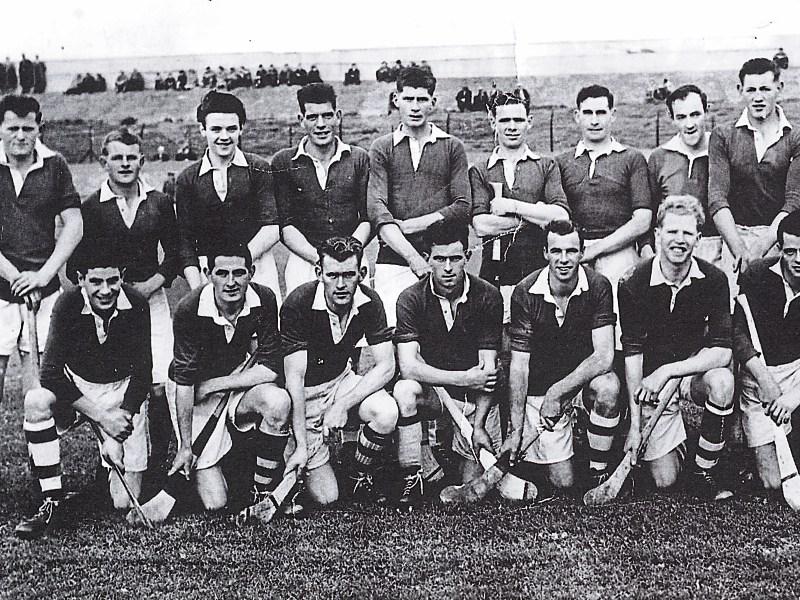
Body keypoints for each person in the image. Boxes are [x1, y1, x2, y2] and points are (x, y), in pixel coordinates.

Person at [67, 129, 180, 483]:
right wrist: (109, 295)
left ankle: (159, 458)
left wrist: (150, 286)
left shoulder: (159, 202)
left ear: (142, 161)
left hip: (151, 300)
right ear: (104, 162)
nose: (126, 164)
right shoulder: (91, 207)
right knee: (121, 383)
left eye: (132, 157)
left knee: (161, 384)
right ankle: (114, 459)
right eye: (117, 157)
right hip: (110, 307)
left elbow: (175, 255)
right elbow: (76, 268)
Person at [14, 249, 152, 539]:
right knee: (37, 400)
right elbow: (50, 374)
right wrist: (104, 419)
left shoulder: (137, 303)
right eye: (96, 281)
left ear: (122, 276)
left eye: (113, 280)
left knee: (122, 502)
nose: (106, 290)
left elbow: (143, 374)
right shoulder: (67, 303)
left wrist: (121, 420)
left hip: (121, 393)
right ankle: (52, 501)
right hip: (77, 390)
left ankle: (105, 476)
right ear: (80, 280)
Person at [619, 195, 734, 500]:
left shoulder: (715, 279)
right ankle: (658, 439)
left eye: (687, 233)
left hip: (688, 374)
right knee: (664, 481)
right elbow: (632, 354)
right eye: (671, 232)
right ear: (657, 234)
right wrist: (635, 424)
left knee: (722, 381)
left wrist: (670, 371)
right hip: (649, 384)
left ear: (698, 238)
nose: (679, 240)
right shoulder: (632, 282)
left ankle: (703, 473)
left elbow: (723, 352)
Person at [168, 243, 291, 513]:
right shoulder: (189, 308)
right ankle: (207, 465)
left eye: (239, 273)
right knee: (216, 503)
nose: (231, 282)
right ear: (208, 273)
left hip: (232, 383)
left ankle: (262, 491)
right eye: (222, 273)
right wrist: (186, 446)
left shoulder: (265, 298)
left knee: (277, 401)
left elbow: (270, 368)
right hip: (193, 392)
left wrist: (216, 385)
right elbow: (185, 383)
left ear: (252, 272)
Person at [504, 220, 620, 492]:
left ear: (582, 252)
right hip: (540, 390)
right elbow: (519, 366)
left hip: (578, 385)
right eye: (556, 251)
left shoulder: (599, 285)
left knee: (609, 386)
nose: (564, 259)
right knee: (562, 482)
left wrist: (559, 393)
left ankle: (598, 473)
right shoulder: (524, 292)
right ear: (545, 253)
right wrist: (516, 429)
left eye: (571, 251)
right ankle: (573, 441)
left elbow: (604, 356)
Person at [393, 223, 503, 508]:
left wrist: (478, 426)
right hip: (437, 397)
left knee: (471, 484)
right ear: (427, 258)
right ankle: (413, 476)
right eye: (439, 259)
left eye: (455, 258)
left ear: (467, 256)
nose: (448, 267)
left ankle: (448, 451)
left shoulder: (488, 295)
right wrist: (463, 379)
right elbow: (408, 367)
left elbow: (487, 373)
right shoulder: (410, 298)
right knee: (405, 390)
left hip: (476, 401)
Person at [281, 236, 398, 505]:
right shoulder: (298, 302)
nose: (341, 284)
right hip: (303, 396)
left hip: (339, 382)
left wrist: (342, 405)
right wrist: (301, 444)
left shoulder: (370, 300)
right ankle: (289, 451)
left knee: (386, 411)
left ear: (362, 273)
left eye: (349, 274)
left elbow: (386, 365)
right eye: (333, 275)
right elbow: (294, 379)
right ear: (319, 273)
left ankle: (357, 474)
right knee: (327, 498)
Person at [368, 66, 471, 326]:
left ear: (433, 103)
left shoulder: (452, 147)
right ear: (396, 100)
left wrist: (414, 224)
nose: (415, 107)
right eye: (408, 99)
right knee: (393, 334)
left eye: (422, 99)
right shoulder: (382, 148)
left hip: (441, 259)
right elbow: (378, 209)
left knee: (440, 338)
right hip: (394, 257)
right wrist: (413, 258)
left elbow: (462, 205)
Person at [0, 95, 82, 404]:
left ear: (39, 128)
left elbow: (74, 225)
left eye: (28, 128)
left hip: (43, 291)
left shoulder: (55, 164)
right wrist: (16, 278)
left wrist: (43, 276)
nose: (20, 136)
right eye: (12, 128)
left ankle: (39, 452)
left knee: (41, 386)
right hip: (1, 287)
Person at [556, 85, 651, 349]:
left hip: (618, 252)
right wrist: (579, 252)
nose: (594, 119)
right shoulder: (561, 162)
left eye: (601, 112)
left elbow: (643, 219)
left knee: (620, 328)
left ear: (613, 115)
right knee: (575, 330)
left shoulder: (632, 159)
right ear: (577, 116)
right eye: (588, 113)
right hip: (573, 254)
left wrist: (597, 249)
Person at [471, 92, 569, 326]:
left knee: (539, 345)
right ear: (493, 122)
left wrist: (512, 206)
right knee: (498, 345)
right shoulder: (480, 170)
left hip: (539, 272)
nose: (512, 127)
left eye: (518, 120)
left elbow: (561, 215)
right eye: (505, 120)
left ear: (530, 121)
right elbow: (481, 225)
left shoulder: (546, 165)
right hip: (494, 274)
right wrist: (536, 217)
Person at [175, 91, 281, 300]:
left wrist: (241, 262)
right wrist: (197, 288)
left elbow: (272, 226)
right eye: (216, 129)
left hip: (257, 266)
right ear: (202, 129)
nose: (224, 137)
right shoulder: (187, 178)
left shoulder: (258, 168)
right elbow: (185, 240)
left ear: (241, 128)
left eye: (231, 129)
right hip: (211, 271)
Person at [709, 58, 800, 297]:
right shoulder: (723, 135)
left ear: (779, 88)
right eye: (751, 90)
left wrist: (762, 246)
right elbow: (717, 198)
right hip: (735, 239)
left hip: (779, 241)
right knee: (732, 308)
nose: (758, 97)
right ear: (740, 91)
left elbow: (793, 198)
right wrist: (740, 249)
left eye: (765, 89)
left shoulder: (795, 137)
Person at [272, 83, 370, 295]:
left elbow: (367, 217)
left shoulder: (358, 158)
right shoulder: (284, 161)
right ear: (301, 120)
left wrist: (347, 256)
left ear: (338, 116)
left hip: (351, 262)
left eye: (327, 115)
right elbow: (285, 224)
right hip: (305, 262)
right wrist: (320, 258)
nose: (321, 124)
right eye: (312, 117)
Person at [733, 210, 800, 496]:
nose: (799, 259)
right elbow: (738, 336)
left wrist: (792, 398)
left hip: (798, 377)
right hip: (759, 380)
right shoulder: (756, 274)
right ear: (780, 250)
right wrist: (766, 381)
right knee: (772, 482)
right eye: (791, 251)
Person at [648, 85, 721, 265]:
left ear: (706, 111)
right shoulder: (659, 157)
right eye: (681, 117)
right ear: (671, 118)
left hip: (715, 248)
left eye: (695, 114)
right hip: (671, 249)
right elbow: (649, 211)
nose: (689, 124)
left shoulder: (722, 151)